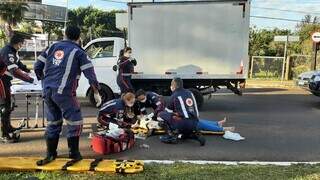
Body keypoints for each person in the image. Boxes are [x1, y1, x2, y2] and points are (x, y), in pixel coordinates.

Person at [34, 26, 102, 165]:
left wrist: (44, 81)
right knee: (75, 121)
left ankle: (50, 154)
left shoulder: (52, 47)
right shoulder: (79, 52)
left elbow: (37, 66)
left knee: (53, 122)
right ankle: (74, 153)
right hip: (64, 93)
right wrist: (96, 92)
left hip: (47, 91)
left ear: (64, 34)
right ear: (79, 37)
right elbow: (90, 74)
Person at [0, 32, 34, 143]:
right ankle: (4, 134)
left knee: (8, 105)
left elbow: (18, 63)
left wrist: (29, 71)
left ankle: (7, 127)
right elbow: (14, 70)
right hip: (1, 81)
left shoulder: (12, 51)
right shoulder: (7, 52)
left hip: (5, 81)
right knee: (4, 107)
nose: (22, 45)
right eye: (22, 43)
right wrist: (30, 80)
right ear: (19, 43)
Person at [158, 78, 205, 146]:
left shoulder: (174, 95)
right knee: (182, 118)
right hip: (195, 122)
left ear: (174, 85)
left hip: (183, 123)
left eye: (171, 84)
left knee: (162, 114)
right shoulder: (190, 93)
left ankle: (171, 136)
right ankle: (193, 135)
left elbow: (168, 112)